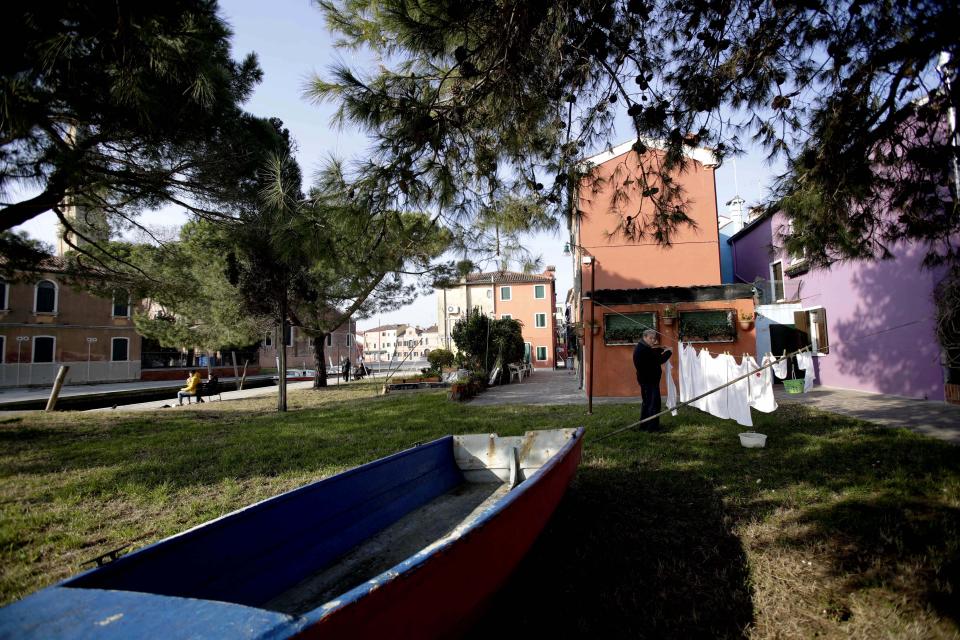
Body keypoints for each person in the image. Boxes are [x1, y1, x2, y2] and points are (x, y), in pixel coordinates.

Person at [632, 329, 672, 430]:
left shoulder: (643, 346)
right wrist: (669, 352)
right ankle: (652, 428)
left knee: (647, 403)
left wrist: (661, 349)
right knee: (653, 404)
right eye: (651, 338)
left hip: (647, 380)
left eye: (654, 338)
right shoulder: (643, 350)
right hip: (649, 381)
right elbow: (659, 360)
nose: (653, 341)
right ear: (644, 337)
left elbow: (653, 352)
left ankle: (644, 425)